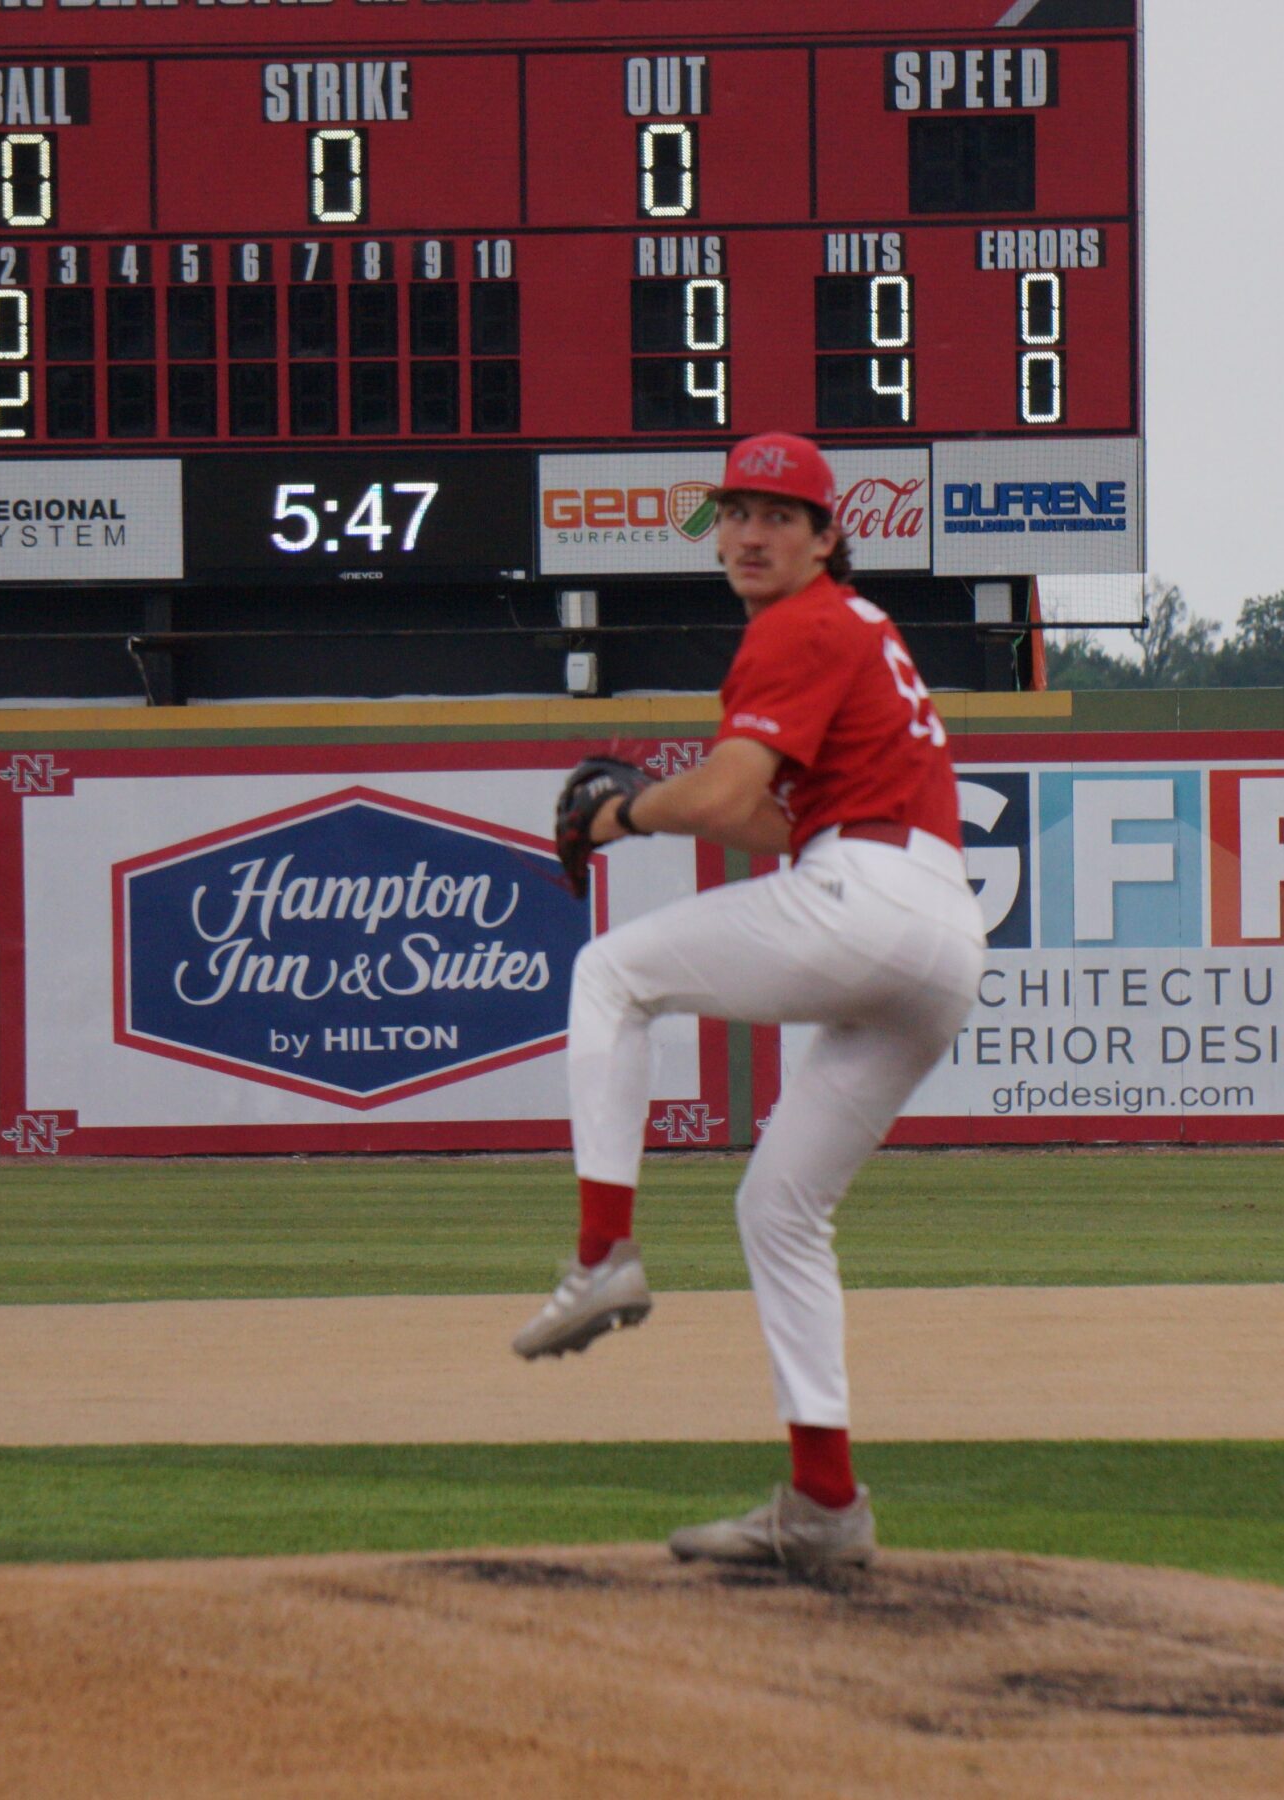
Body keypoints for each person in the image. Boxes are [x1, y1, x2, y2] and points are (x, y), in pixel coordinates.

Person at [512, 430, 988, 1571]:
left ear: (829, 537)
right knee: (778, 1208)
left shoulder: (801, 623)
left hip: (866, 897)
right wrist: (657, 803)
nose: (750, 533)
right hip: (937, 933)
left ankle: (601, 1255)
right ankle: (824, 1504)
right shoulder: (859, 633)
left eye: (780, 515)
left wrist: (619, 815)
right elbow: (774, 818)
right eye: (734, 512)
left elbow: (728, 799)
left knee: (607, 973)